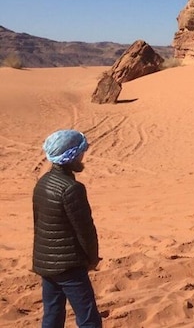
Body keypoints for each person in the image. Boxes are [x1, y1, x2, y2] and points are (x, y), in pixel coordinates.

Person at [33, 129, 102, 328]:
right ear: (71, 156)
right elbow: (85, 230)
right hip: (69, 265)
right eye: (80, 152)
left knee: (52, 315)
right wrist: (92, 258)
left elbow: (39, 224)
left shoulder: (42, 183)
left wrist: (42, 260)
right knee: (89, 319)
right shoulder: (72, 188)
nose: (82, 156)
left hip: (46, 263)